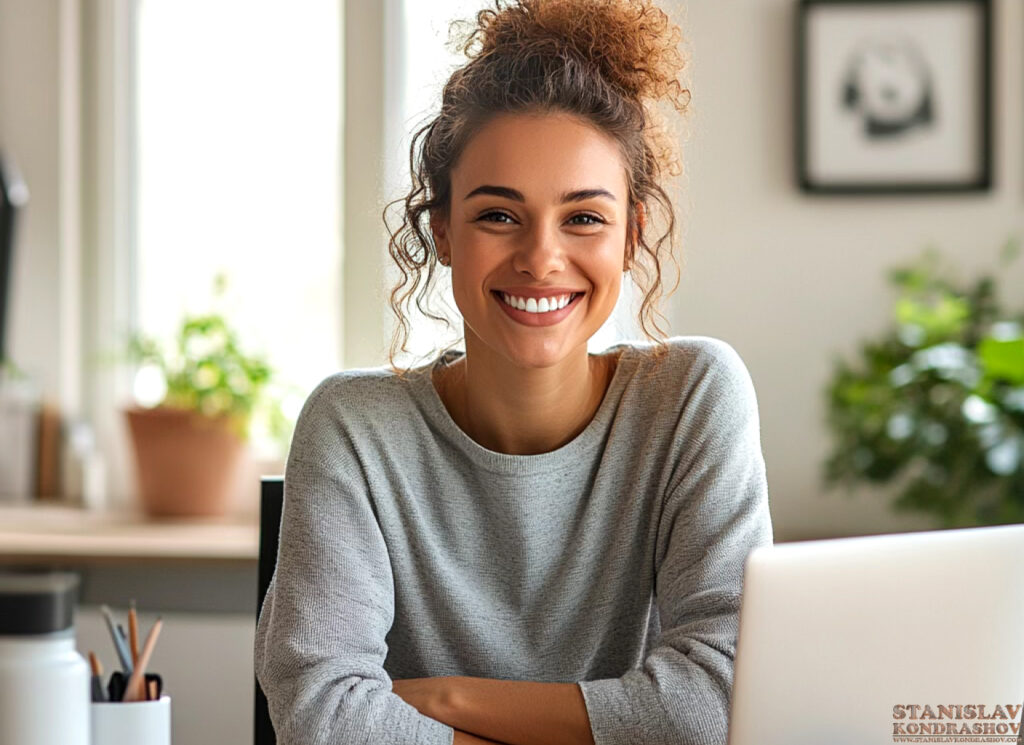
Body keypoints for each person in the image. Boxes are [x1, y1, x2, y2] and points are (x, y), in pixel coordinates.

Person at [254, 0, 774, 743]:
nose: (540, 256)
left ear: (631, 235)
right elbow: (322, 716)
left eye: (584, 218)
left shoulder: (693, 397)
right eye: (499, 215)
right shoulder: (353, 425)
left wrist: (450, 703)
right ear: (442, 231)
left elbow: (713, 704)